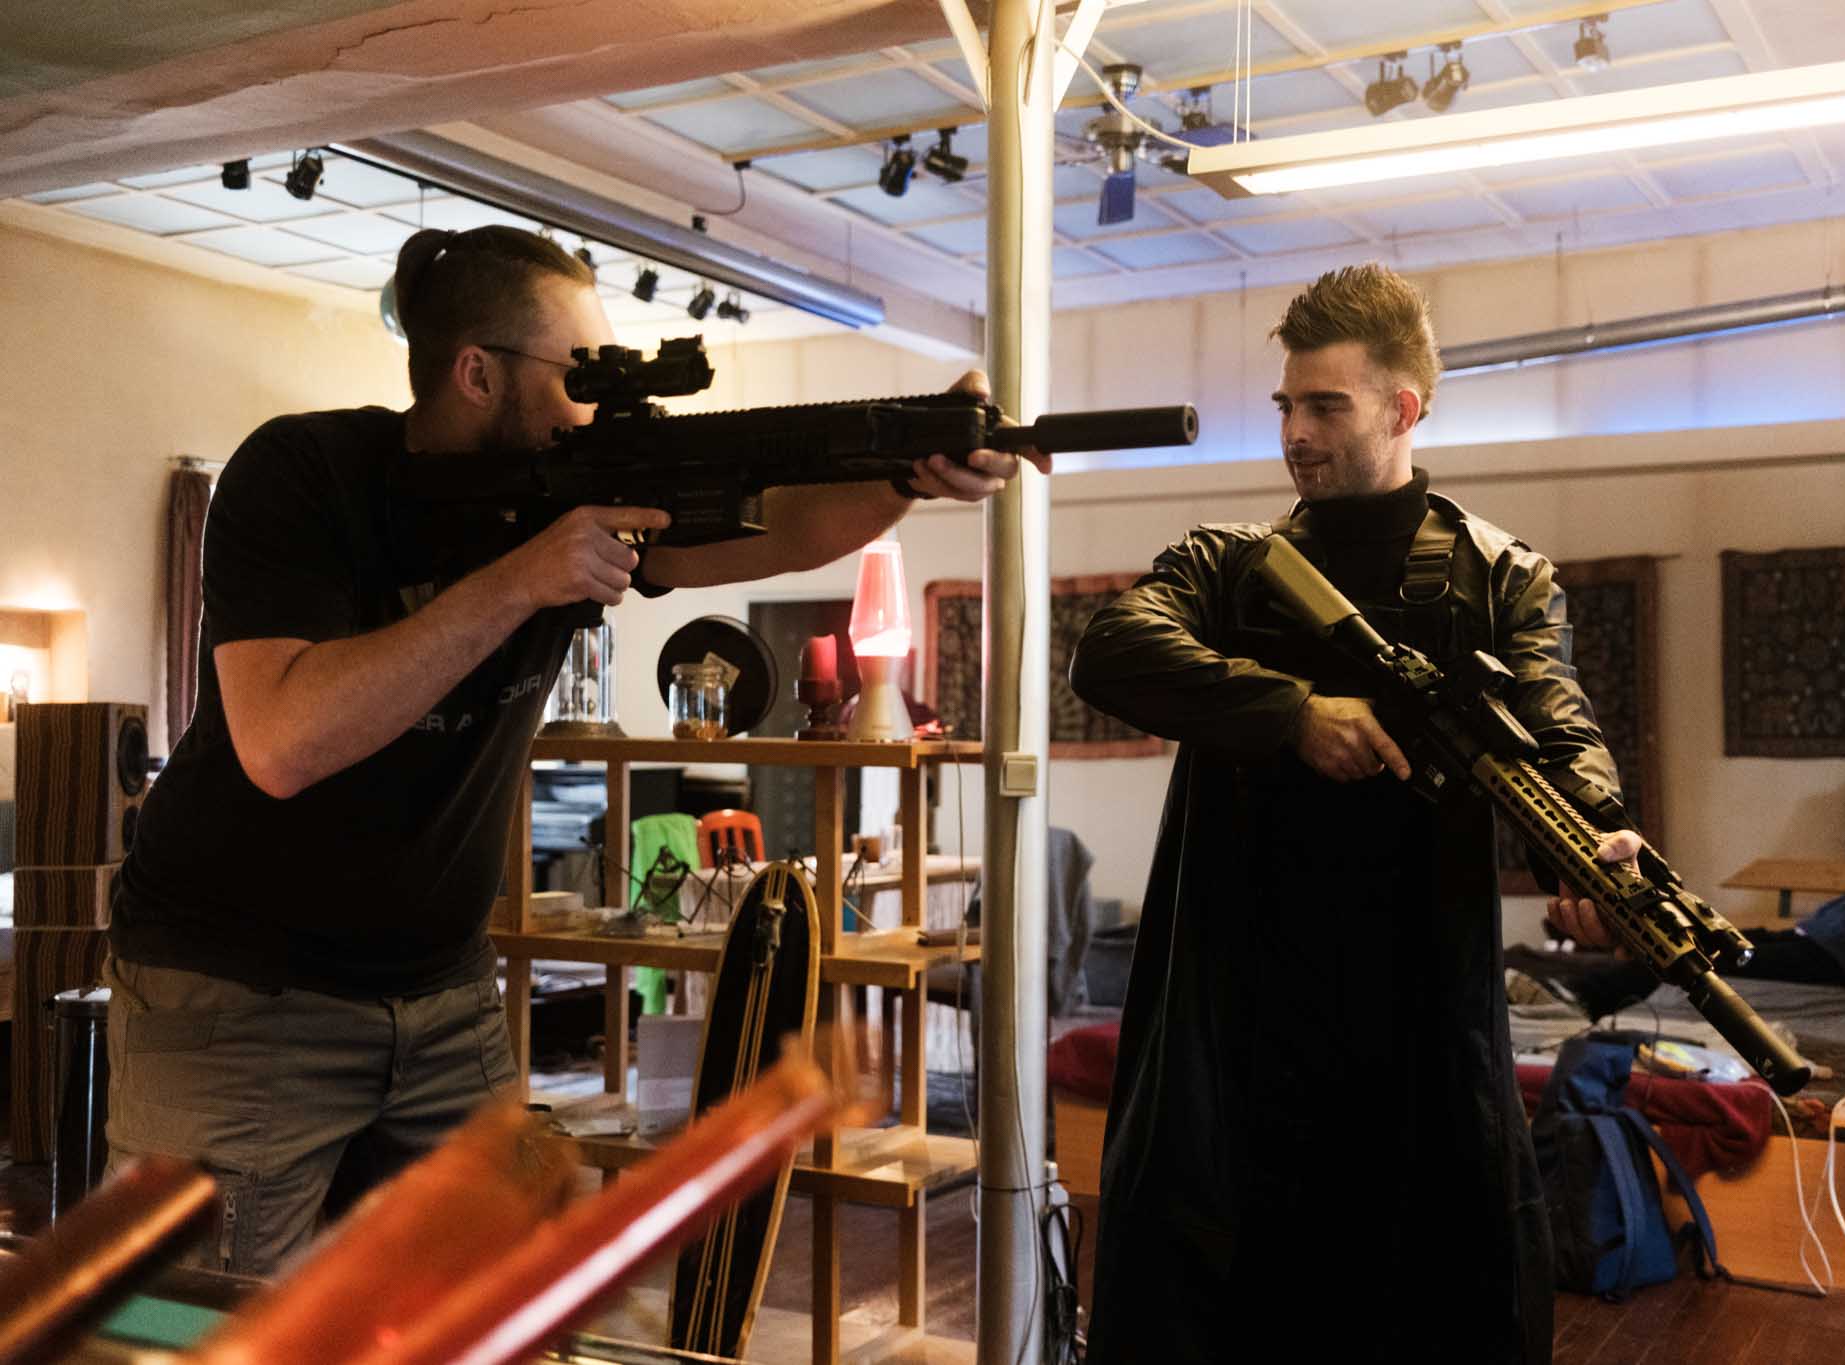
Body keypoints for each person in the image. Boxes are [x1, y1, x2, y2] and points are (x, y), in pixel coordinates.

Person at [104, 225, 1045, 1276]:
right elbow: (283, 742)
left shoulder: (571, 496)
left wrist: (911, 474)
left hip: (440, 990)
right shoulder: (305, 473)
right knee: (199, 1321)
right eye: (574, 374)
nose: (596, 403)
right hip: (237, 991)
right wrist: (520, 580)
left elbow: (773, 523)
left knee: (493, 1305)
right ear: (475, 374)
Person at [1068, 264, 1636, 1363]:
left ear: (1401, 408)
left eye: (1324, 405)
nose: (1294, 431)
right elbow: (1113, 646)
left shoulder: (1499, 577)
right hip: (1236, 1024)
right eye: (1285, 404)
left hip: (1417, 1021)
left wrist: (1598, 838)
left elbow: (1554, 726)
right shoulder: (1230, 568)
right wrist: (1291, 712)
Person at [1541, 813, 1845, 1020]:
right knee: (1690, 929)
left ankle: (1587, 993)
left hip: (1831, 960)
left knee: (1698, 957)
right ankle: (1583, 974)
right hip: (1805, 936)